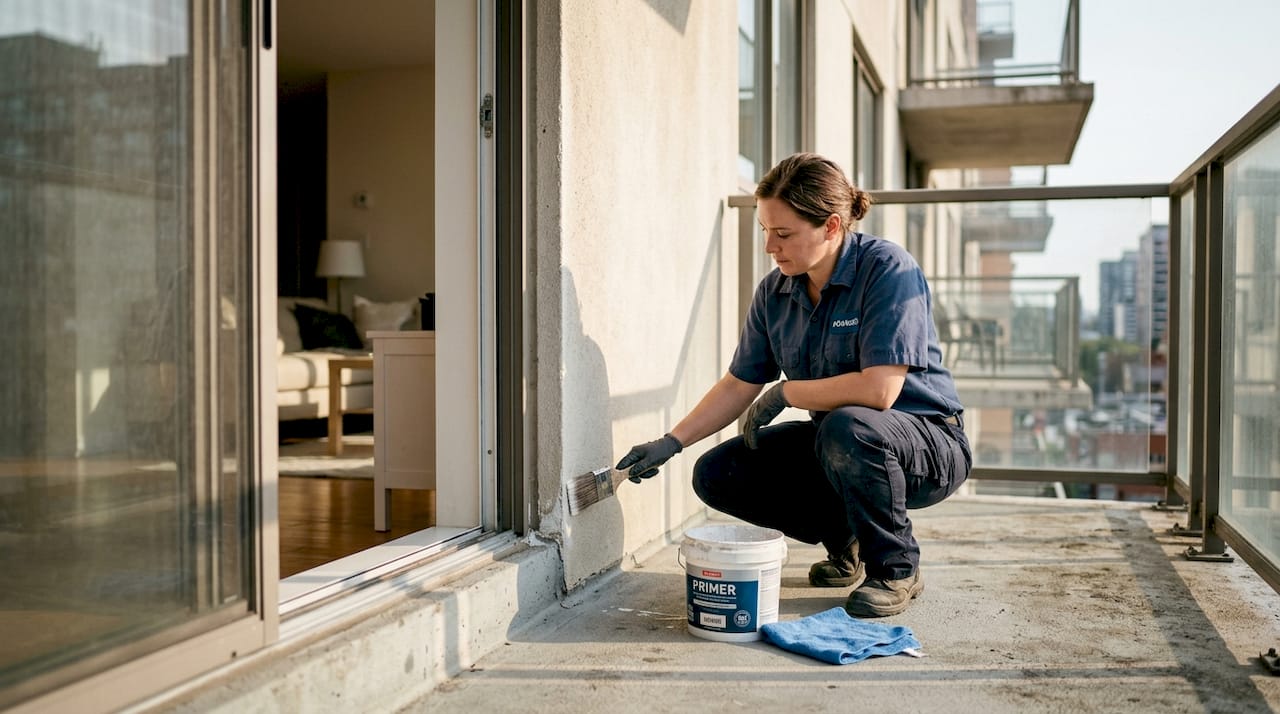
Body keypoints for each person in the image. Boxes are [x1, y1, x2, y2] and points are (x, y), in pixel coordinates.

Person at [615, 152, 971, 618]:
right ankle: (846, 540)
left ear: (831, 226)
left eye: (783, 234)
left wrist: (786, 393)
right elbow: (739, 384)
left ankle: (896, 568)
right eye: (765, 230)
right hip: (841, 443)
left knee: (847, 428)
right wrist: (670, 442)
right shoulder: (775, 292)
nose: (770, 246)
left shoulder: (887, 269)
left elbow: (879, 391)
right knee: (718, 473)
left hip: (927, 444)